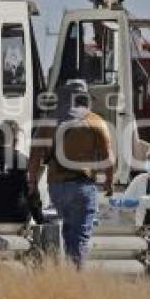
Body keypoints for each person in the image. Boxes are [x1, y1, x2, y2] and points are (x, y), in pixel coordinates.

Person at [28, 79, 115, 267]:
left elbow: (34, 156)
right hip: (83, 187)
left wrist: (32, 184)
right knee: (81, 237)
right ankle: (76, 279)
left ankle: (67, 273)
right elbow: (110, 159)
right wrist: (109, 182)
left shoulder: (48, 121)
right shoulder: (95, 121)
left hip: (56, 187)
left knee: (68, 231)